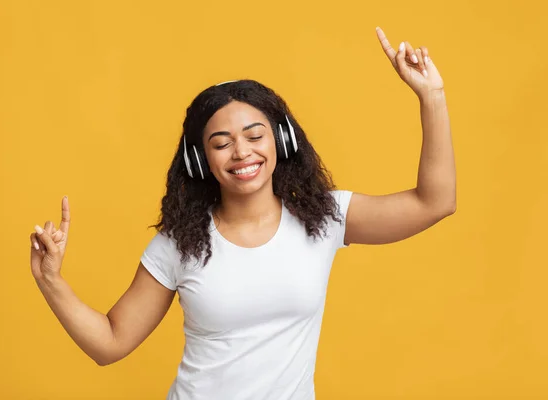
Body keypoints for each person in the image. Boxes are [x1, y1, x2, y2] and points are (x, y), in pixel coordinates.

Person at [29, 27, 455, 400]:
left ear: (281, 141)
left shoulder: (324, 218)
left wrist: (431, 95)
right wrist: (50, 280)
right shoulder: (180, 242)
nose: (242, 152)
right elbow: (110, 343)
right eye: (221, 143)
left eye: (255, 135)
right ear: (201, 162)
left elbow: (434, 202)